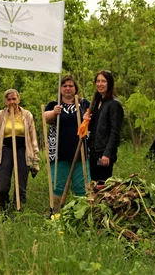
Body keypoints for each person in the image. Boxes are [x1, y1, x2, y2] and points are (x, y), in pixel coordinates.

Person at [44, 75, 90, 213]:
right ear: (60, 88)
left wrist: (86, 117)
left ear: (75, 88)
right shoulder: (54, 104)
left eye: (70, 86)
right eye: (64, 86)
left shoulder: (83, 103)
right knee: (58, 186)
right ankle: (55, 215)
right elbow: (45, 118)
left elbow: (90, 117)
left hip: (80, 151)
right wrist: (54, 113)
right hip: (59, 153)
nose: (68, 88)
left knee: (82, 186)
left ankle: (81, 215)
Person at [0, 89, 40, 211]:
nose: (12, 101)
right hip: (6, 150)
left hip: (23, 150)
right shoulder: (1, 115)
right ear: (5, 102)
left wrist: (36, 160)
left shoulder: (27, 115)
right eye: (9, 99)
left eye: (14, 99)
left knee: (21, 186)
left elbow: (33, 137)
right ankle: (4, 209)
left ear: (18, 99)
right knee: (2, 185)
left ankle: (18, 210)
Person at [86, 70, 124, 184]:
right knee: (93, 185)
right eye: (98, 81)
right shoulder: (97, 102)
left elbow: (115, 132)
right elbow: (94, 128)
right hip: (93, 151)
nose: (100, 84)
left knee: (102, 187)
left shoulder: (114, 104)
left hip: (104, 153)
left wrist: (107, 154)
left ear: (109, 83)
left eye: (103, 81)